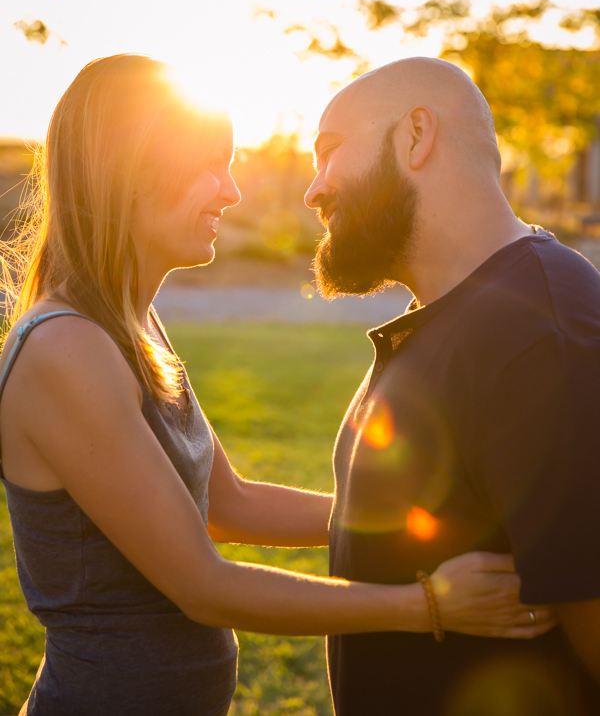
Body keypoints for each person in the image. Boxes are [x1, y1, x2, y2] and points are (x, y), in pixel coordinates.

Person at [0, 54, 552, 716]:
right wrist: (428, 604)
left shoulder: (130, 325)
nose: (232, 193)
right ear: (128, 169)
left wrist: (417, 526)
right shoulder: (66, 348)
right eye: (210, 165)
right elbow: (202, 586)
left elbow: (227, 505)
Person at [303, 55, 600, 716]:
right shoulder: (450, 314)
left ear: (415, 135)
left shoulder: (538, 333)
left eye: (328, 153)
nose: (314, 189)